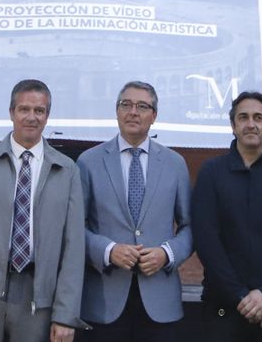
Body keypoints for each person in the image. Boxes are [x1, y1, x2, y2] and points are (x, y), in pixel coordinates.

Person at [0, 78, 84, 342]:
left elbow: (74, 248)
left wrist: (66, 314)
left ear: (47, 116)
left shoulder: (67, 171)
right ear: (11, 112)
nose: (31, 117)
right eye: (24, 109)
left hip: (38, 300)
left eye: (39, 110)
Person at [78, 80, 193, 339]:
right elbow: (74, 228)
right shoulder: (89, 162)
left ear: (154, 115)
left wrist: (166, 254)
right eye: (126, 104)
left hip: (160, 300)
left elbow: (190, 226)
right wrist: (108, 251)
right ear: (116, 111)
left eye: (142, 106)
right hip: (104, 301)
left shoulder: (175, 164)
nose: (133, 112)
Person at [191, 90, 262, 341]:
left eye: (258, 118)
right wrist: (241, 297)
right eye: (243, 118)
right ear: (233, 126)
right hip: (223, 306)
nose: (251, 124)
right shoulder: (211, 173)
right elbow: (207, 241)